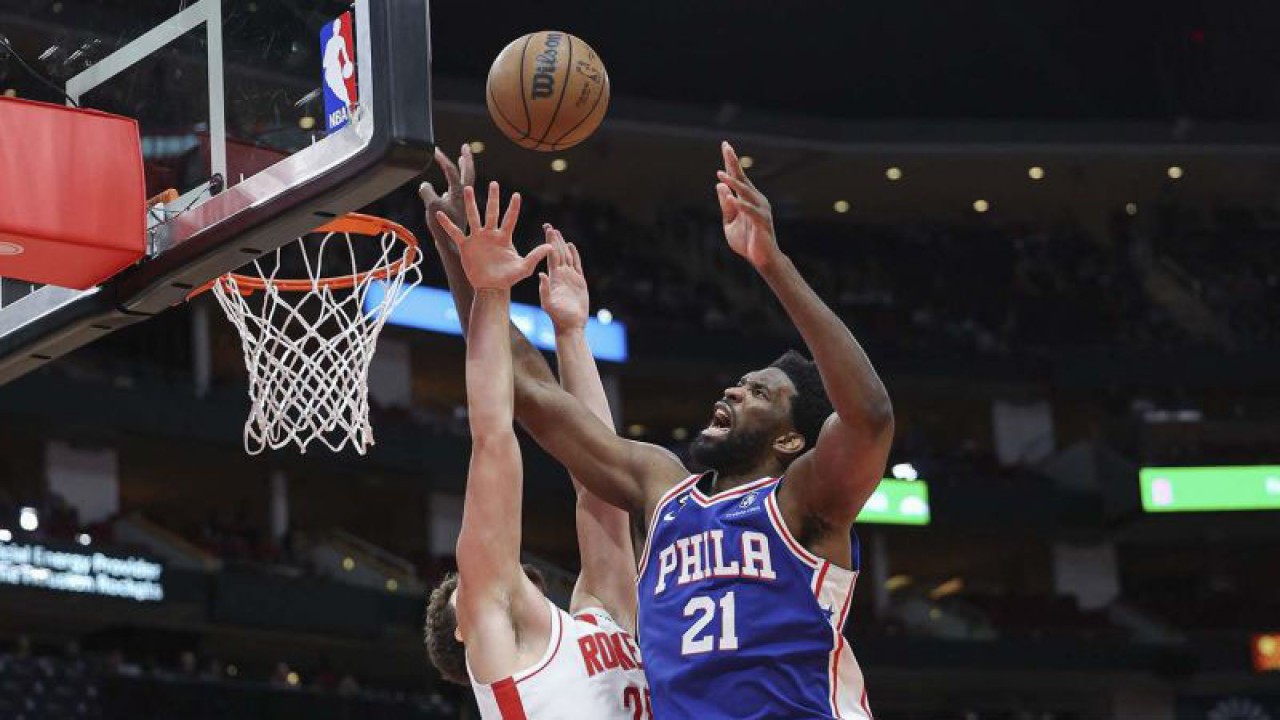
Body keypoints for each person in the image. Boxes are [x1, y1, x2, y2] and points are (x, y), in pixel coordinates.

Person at [429, 141, 893, 719]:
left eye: (759, 394)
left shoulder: (805, 501)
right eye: (739, 383)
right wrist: (463, 257)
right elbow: (529, 392)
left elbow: (870, 417)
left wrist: (772, 263)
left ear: (790, 440)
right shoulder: (662, 487)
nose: (733, 391)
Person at [421, 157, 650, 719]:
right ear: (466, 633)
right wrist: (491, 293)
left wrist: (571, 334)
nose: (485, 576)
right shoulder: (501, 650)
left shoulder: (601, 619)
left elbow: (602, 480)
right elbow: (493, 438)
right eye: (466, 588)